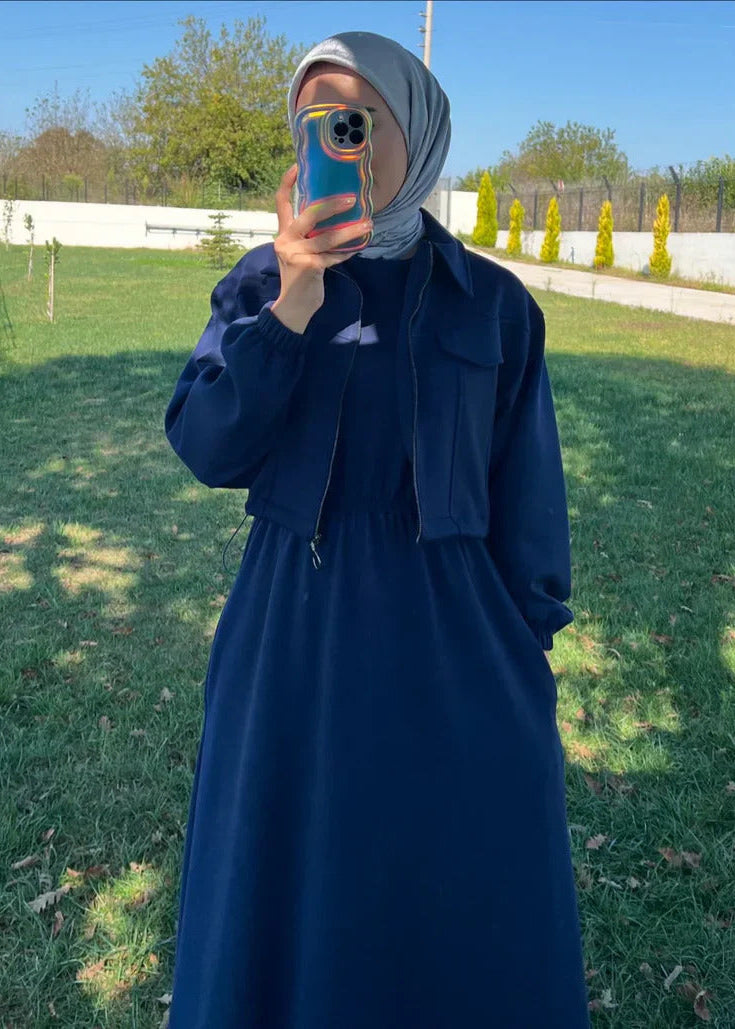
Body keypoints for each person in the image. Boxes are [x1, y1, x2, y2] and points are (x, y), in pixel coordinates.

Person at [163, 29, 590, 1029]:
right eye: (312, 121)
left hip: (455, 646)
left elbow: (528, 498)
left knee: (453, 883)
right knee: (289, 876)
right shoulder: (258, 285)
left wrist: (526, 655)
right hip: (292, 638)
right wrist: (294, 301)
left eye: (353, 119)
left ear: (416, 131)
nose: (333, 139)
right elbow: (207, 444)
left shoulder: (494, 305)